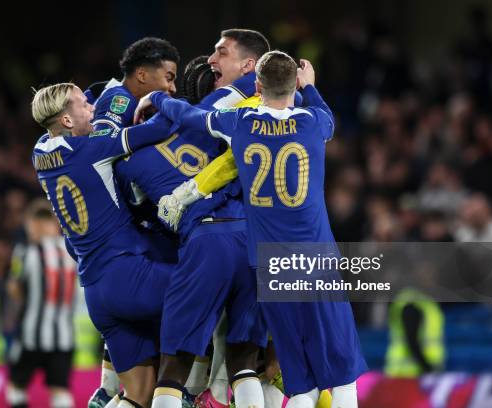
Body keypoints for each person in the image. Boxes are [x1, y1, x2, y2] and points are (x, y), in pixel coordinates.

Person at [136, 51, 368, 408]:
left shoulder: (239, 123)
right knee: (343, 376)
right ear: (295, 86)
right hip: (314, 258)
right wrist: (311, 87)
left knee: (300, 380)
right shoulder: (312, 121)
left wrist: (159, 99)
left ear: (257, 86)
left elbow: (192, 117)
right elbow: (329, 120)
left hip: (269, 265)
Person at [114, 46, 269, 408]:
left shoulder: (129, 162)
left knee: (173, 364)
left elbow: (142, 217)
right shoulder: (218, 124)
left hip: (204, 240)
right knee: (246, 361)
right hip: (256, 238)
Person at [30, 82, 178, 408]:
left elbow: (79, 123)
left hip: (97, 292)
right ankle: (206, 389)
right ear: (66, 121)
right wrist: (155, 99)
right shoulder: (93, 149)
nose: (92, 109)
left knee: (138, 395)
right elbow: (162, 126)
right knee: (215, 290)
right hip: (128, 274)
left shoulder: (40, 151)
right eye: (84, 105)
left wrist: (99, 101)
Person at [5, 199, 78, 408]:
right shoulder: (72, 251)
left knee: (16, 386)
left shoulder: (25, 252)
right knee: (60, 391)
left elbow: (14, 288)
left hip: (30, 335)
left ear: (33, 224)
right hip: (64, 336)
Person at [385, 288, 445, 377]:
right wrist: (428, 368)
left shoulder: (425, 302)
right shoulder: (411, 304)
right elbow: (411, 339)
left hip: (411, 373)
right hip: (406, 374)